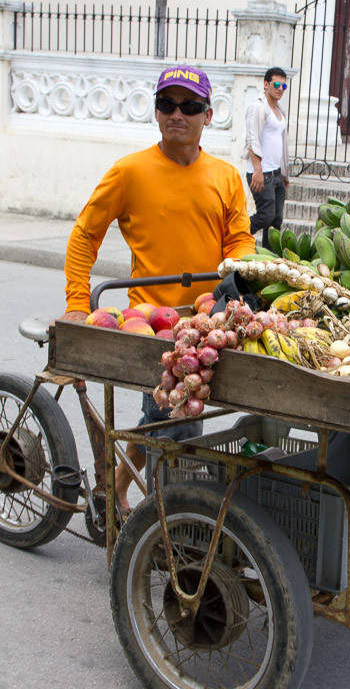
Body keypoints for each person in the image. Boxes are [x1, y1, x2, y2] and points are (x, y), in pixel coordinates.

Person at [61, 64, 255, 513]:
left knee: (163, 415)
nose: (176, 114)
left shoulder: (226, 176)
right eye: (167, 104)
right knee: (179, 422)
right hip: (151, 325)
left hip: (210, 323)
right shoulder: (129, 172)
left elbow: (239, 241)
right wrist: (76, 302)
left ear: (208, 115)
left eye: (189, 106)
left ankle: (115, 489)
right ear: (155, 111)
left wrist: (244, 272)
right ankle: (166, 523)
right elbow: (85, 235)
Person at [243, 67, 290, 249]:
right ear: (266, 84)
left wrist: (284, 174)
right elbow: (252, 140)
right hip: (261, 173)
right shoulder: (258, 107)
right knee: (265, 216)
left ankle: (269, 257)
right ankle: (235, 235)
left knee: (276, 221)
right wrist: (257, 170)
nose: (280, 89)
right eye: (276, 84)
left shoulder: (280, 111)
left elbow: (282, 144)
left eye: (284, 86)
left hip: (276, 174)